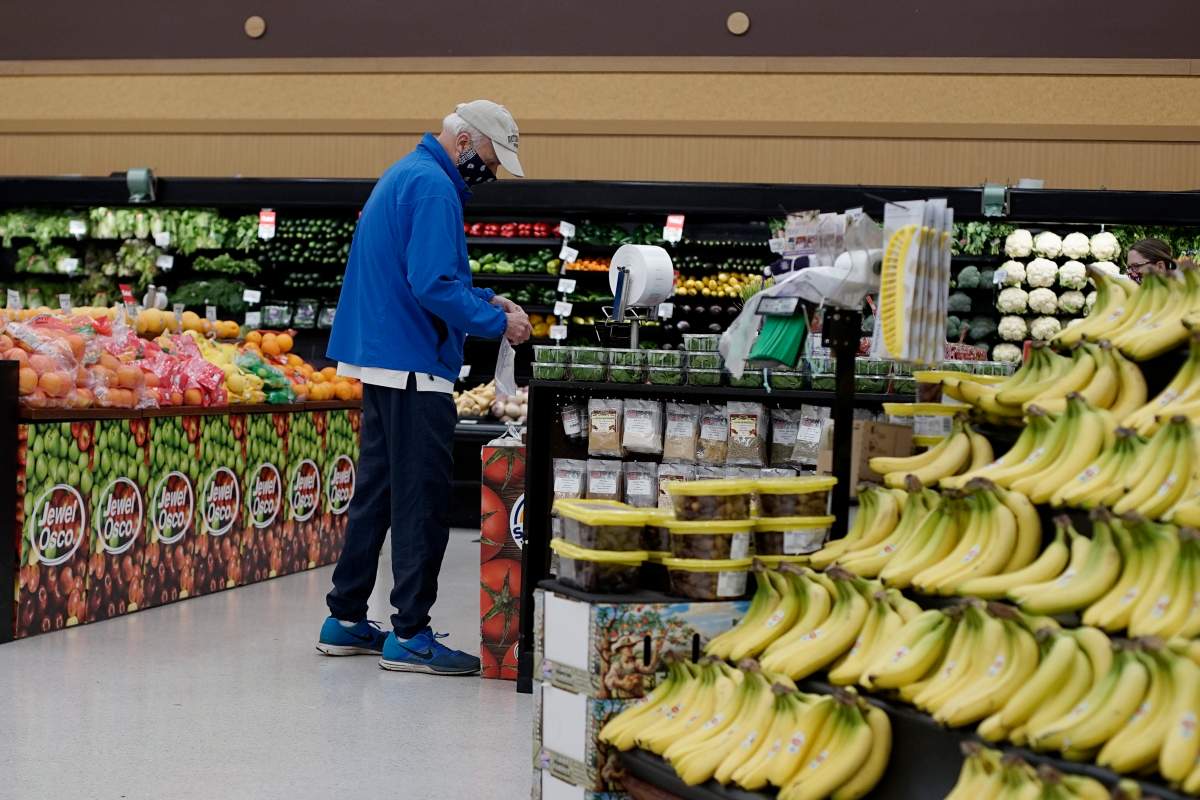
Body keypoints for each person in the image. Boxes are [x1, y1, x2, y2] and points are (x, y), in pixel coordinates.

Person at [315, 101, 532, 676]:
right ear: (465, 141)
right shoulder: (434, 187)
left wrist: (487, 300)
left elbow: (425, 277)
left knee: (378, 493)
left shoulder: (406, 174)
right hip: (414, 364)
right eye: (489, 159)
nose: (490, 173)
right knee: (421, 502)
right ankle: (410, 632)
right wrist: (498, 323)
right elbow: (433, 285)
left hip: (382, 359)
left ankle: (345, 616)